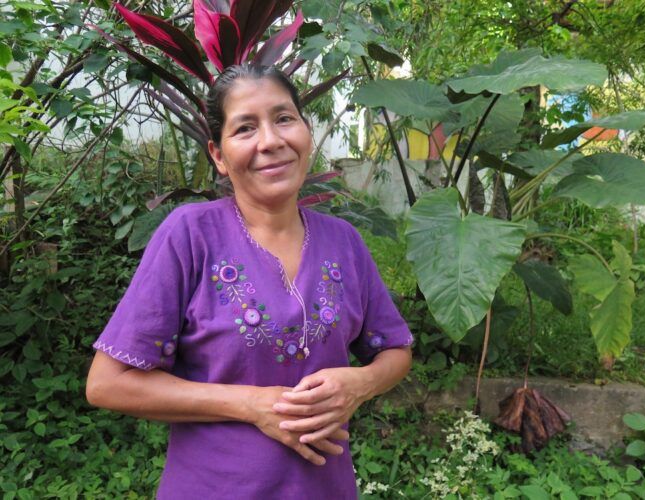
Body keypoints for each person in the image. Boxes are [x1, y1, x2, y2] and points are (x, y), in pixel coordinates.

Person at [86, 63, 413, 499]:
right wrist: (252, 405)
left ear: (305, 131)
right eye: (245, 128)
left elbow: (394, 349)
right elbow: (107, 383)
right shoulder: (190, 236)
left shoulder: (344, 242)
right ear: (219, 156)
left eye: (283, 119)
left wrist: (361, 384)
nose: (271, 141)